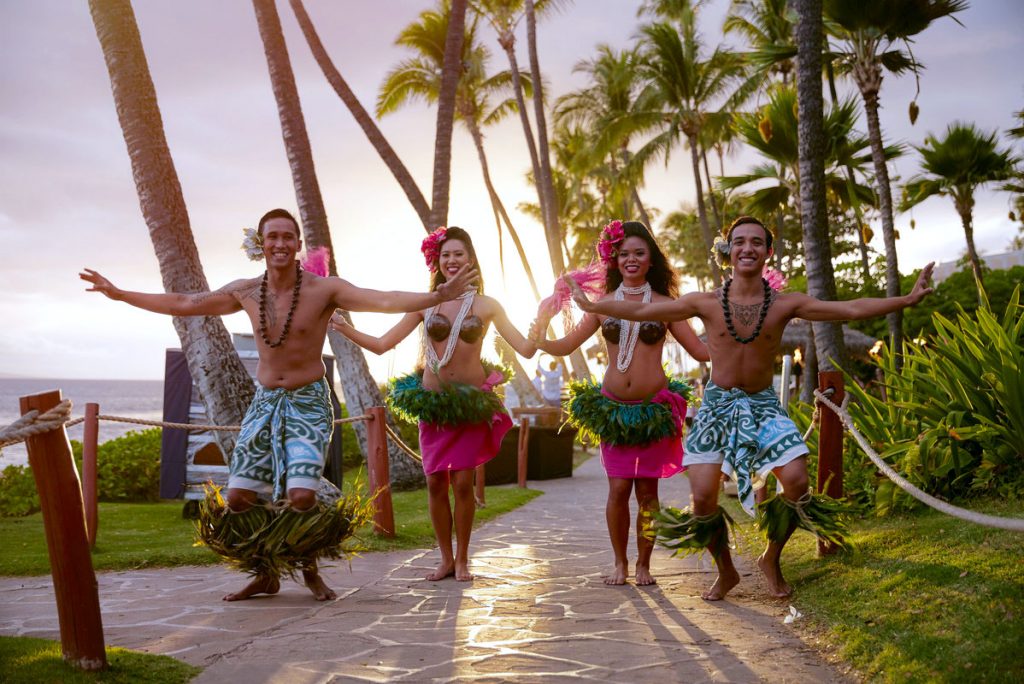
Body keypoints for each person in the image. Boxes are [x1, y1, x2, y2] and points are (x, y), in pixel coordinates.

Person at [80, 208, 477, 601]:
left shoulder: (325, 289)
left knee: (302, 496)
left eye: (288, 236)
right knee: (238, 499)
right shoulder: (246, 291)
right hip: (264, 402)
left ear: (298, 244)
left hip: (308, 403)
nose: (281, 243)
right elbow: (186, 302)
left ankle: (310, 572)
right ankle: (265, 574)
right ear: (262, 244)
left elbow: (382, 299)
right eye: (273, 237)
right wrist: (120, 294)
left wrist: (437, 295)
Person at [568, 215, 935, 600]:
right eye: (739, 241)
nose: (747, 248)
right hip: (717, 406)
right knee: (703, 495)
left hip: (763, 406)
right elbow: (643, 312)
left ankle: (771, 557)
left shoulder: (785, 305)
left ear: (767, 252)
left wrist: (907, 299)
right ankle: (726, 571)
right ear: (728, 253)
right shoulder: (705, 303)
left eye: (756, 242)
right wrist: (593, 305)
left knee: (796, 480)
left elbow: (850, 309)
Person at [330, 226, 539, 582]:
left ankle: (463, 559)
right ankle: (444, 558)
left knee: (462, 483)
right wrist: (345, 328)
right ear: (437, 262)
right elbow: (383, 344)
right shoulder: (426, 305)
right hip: (434, 406)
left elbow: (526, 348)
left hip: (469, 407)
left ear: (470, 258)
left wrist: (542, 323)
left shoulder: (487, 306)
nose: (452, 260)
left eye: (458, 254)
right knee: (435, 483)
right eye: (445, 255)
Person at [530, 220, 710, 586]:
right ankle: (620, 563)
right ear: (614, 260)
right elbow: (565, 346)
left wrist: (737, 335)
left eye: (639, 253)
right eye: (624, 253)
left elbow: (700, 351)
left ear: (651, 260)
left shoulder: (666, 305)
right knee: (617, 489)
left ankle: (644, 564)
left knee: (647, 491)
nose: (631, 259)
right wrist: (541, 331)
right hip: (614, 411)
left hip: (653, 411)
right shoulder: (601, 306)